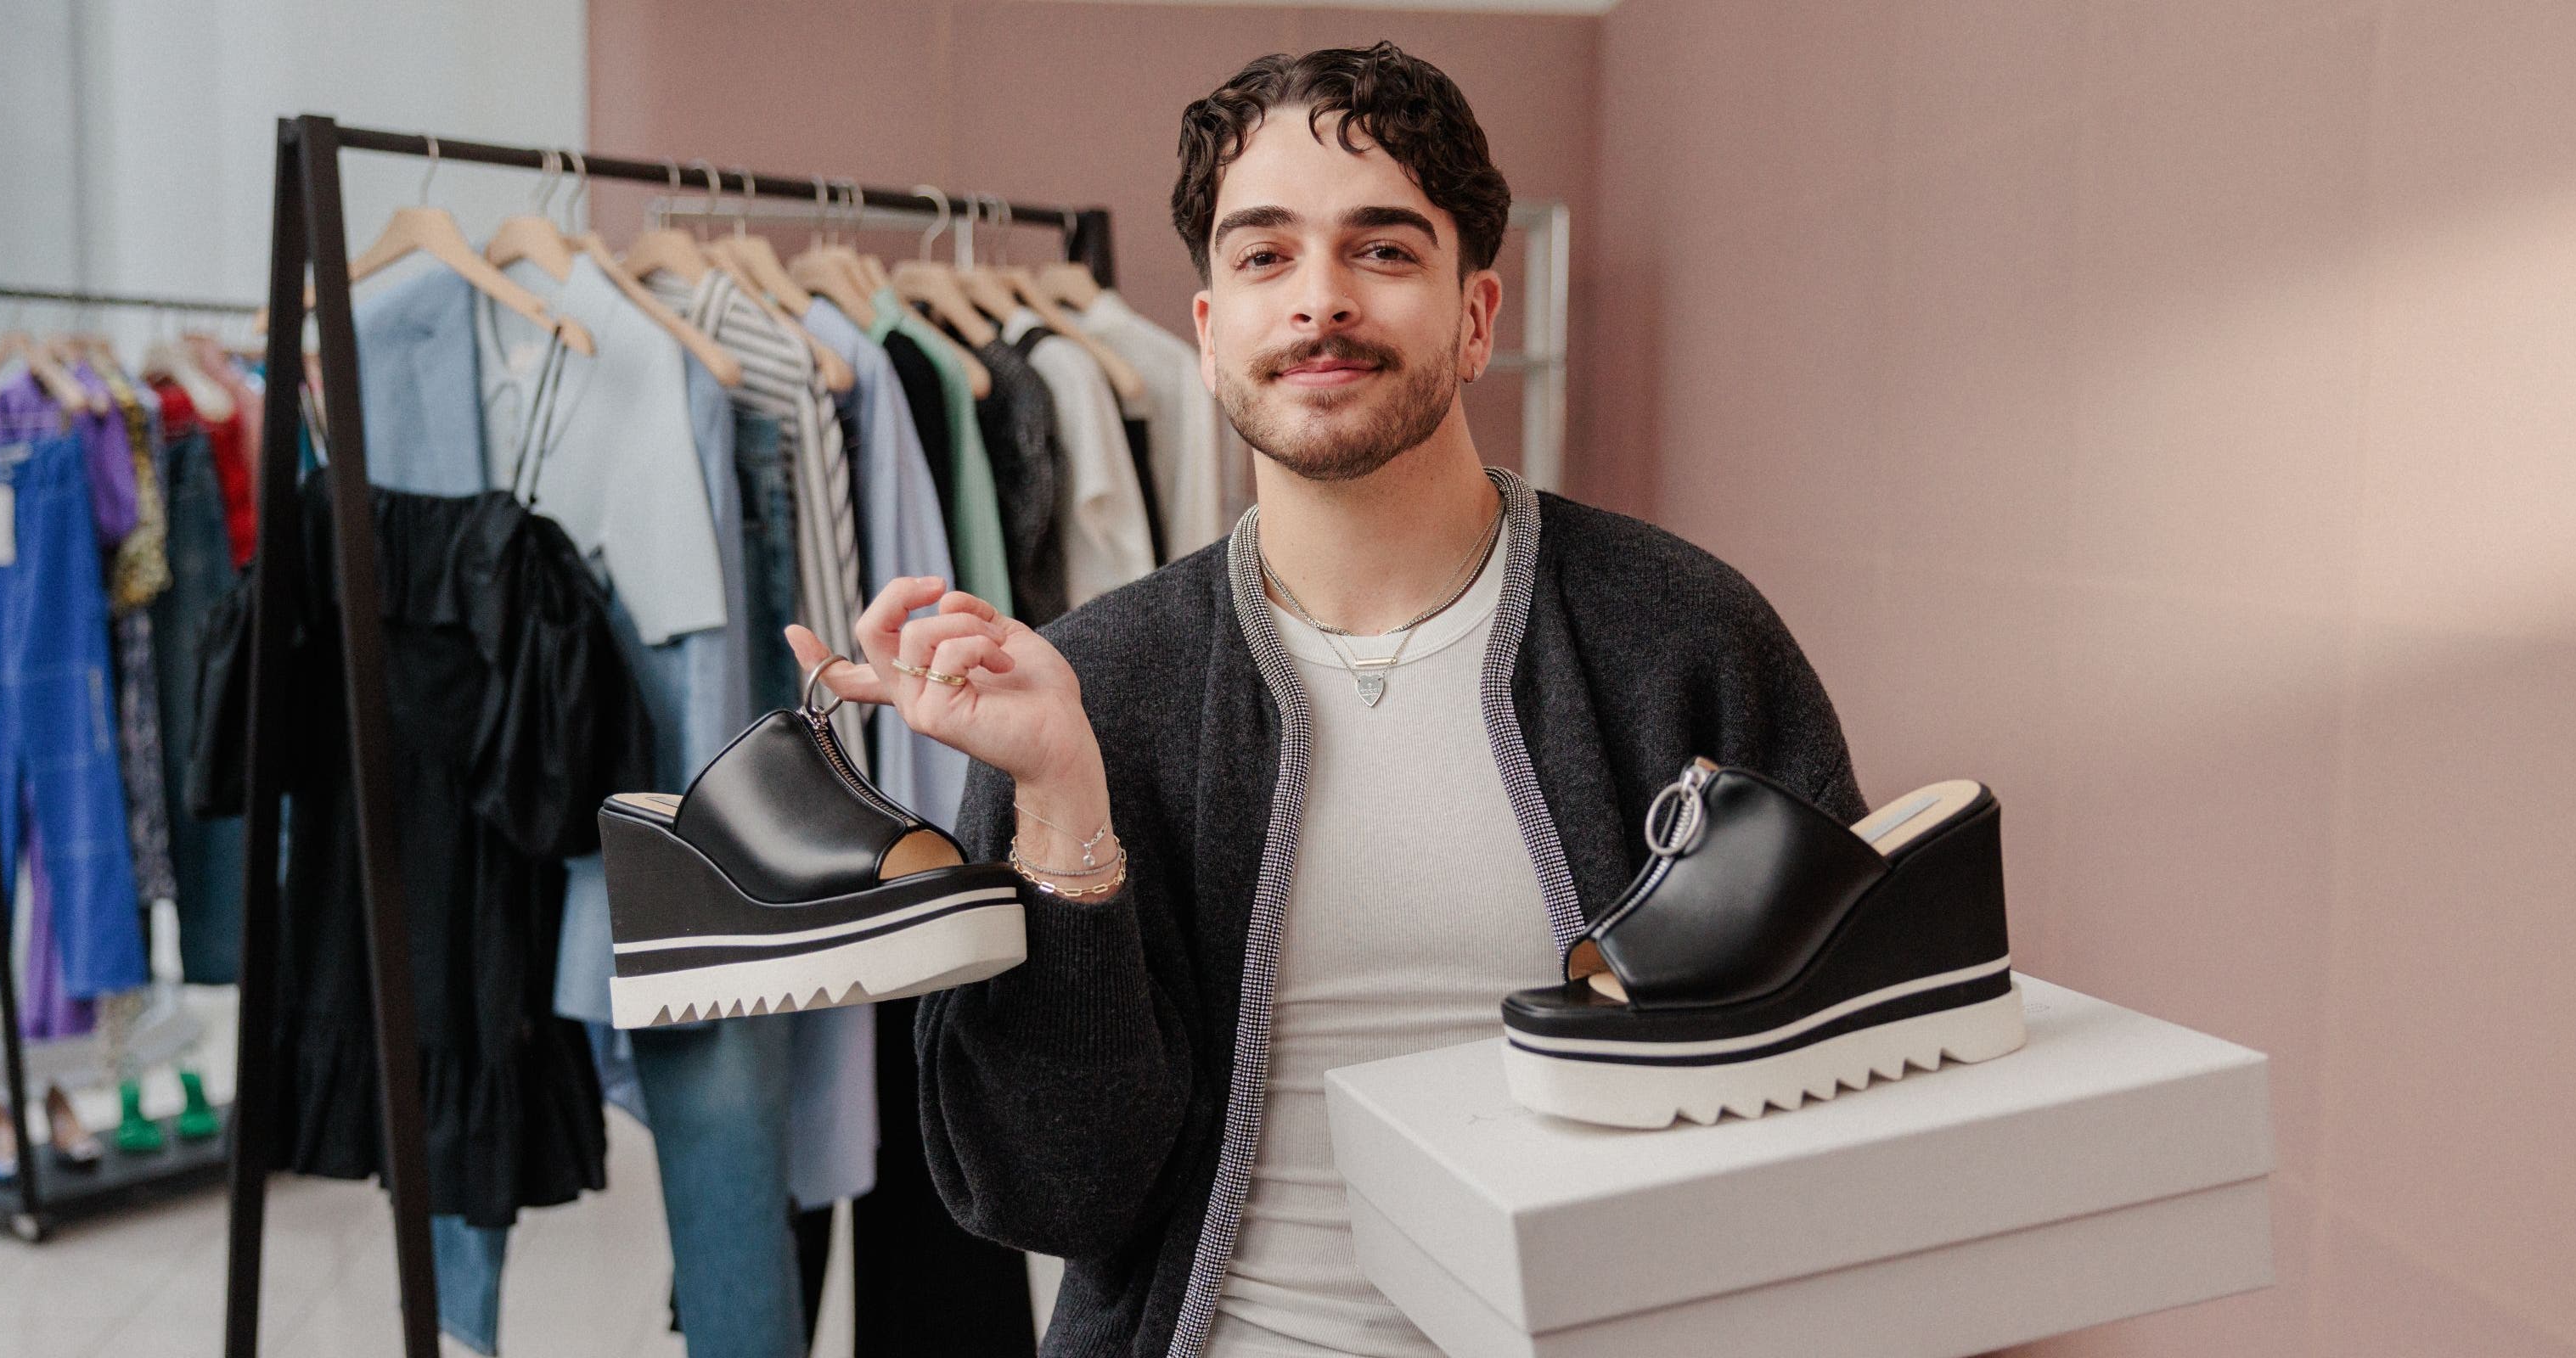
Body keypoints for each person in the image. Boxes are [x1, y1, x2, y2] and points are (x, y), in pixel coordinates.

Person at [785, 41, 1867, 1358]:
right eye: (1263, 256)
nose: (1319, 302)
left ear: (1477, 318)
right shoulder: (1096, 685)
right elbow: (1051, 1195)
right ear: (1207, 332)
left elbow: (1833, 1079)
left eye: (1383, 251)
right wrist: (1065, 804)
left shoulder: (1682, 634)